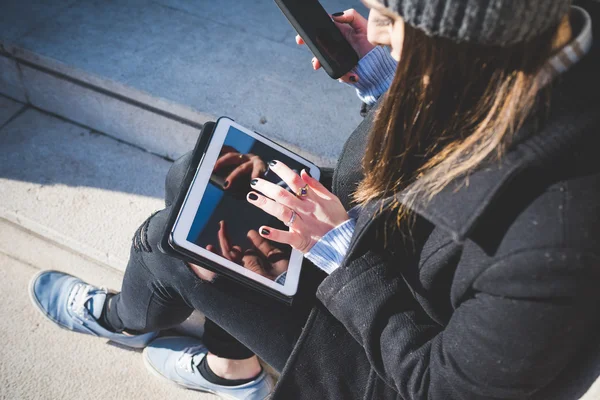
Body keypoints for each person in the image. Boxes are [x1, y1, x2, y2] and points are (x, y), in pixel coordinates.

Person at [29, 0, 600, 398]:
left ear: (459, 50)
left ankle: (126, 321)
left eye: (392, 21)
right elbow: (463, 122)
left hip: (386, 345)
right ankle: (233, 368)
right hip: (385, 239)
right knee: (197, 179)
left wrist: (340, 251)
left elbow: (438, 385)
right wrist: (384, 73)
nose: (374, 30)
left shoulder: (558, 242)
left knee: (167, 246)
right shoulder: (530, 43)